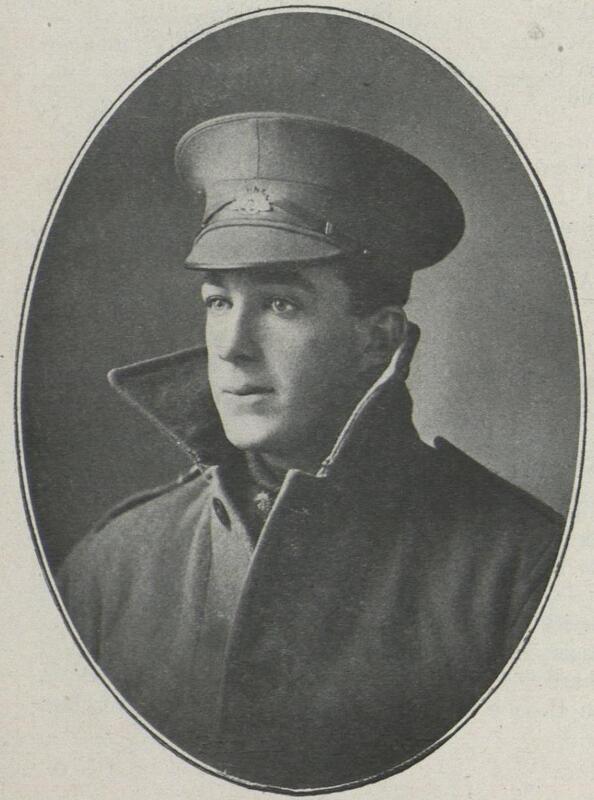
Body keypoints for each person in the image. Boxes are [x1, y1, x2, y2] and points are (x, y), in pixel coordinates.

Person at [57, 112, 563, 790]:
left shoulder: (521, 573)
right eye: (217, 302)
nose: (231, 346)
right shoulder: (109, 567)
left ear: (378, 340)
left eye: (280, 305)